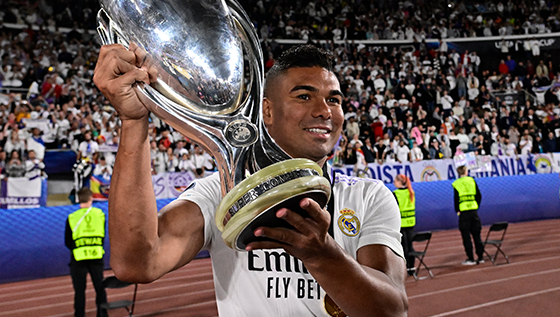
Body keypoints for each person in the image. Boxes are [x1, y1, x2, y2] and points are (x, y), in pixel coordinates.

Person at [93, 44, 408, 316]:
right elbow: (137, 262)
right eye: (304, 96)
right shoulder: (225, 193)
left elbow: (392, 310)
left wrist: (323, 254)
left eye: (334, 100)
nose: (324, 111)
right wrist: (133, 122)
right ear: (267, 111)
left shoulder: (370, 197)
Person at [65, 188, 108, 317]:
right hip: (96, 255)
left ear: (78, 199)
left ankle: (79, 315)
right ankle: (102, 314)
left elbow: (67, 241)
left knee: (79, 291)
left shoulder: (72, 217)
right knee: (100, 288)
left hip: (78, 258)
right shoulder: (100, 214)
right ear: (91, 198)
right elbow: (102, 234)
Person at [452, 165, 484, 265]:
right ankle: (481, 256)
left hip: (464, 212)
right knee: (477, 235)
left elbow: (456, 199)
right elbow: (479, 195)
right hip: (473, 210)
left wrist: (457, 210)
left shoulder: (456, 183)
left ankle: (471, 258)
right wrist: (476, 205)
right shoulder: (472, 180)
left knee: (466, 237)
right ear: (465, 172)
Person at [392, 174, 416, 275]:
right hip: (411, 222)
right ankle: (411, 267)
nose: (394, 183)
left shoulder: (396, 194)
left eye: (395, 181)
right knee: (410, 246)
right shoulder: (411, 192)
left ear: (400, 182)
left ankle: (404, 268)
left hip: (401, 224)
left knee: (403, 247)